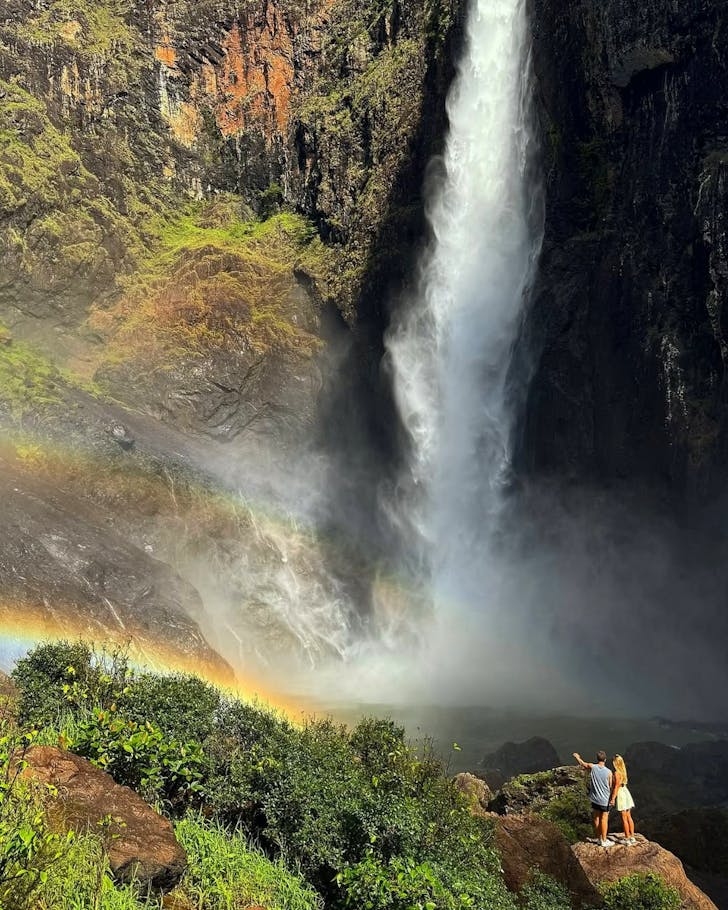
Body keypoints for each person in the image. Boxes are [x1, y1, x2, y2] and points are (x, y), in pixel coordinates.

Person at [573, 750, 614, 848]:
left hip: (594, 798)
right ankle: (604, 840)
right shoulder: (609, 772)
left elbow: (583, 764)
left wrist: (577, 757)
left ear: (597, 758)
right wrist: (612, 798)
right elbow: (610, 786)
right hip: (604, 799)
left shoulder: (593, 767)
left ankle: (598, 838)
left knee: (596, 818)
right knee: (604, 819)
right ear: (605, 759)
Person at [611, 754, 636, 844]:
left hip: (621, 793)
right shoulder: (623, 771)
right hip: (626, 791)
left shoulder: (617, 773)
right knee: (629, 816)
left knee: (624, 817)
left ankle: (627, 837)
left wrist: (613, 798)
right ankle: (632, 836)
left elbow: (616, 787)